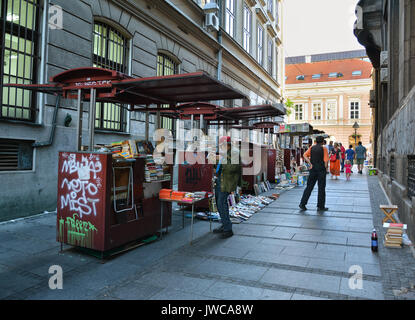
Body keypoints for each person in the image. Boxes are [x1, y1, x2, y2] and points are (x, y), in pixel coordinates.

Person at [213, 136, 242, 239]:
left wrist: (223, 159)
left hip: (227, 182)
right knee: (219, 203)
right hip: (221, 180)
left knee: (222, 203)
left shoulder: (234, 152)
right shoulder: (227, 152)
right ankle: (225, 224)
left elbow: (233, 167)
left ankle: (228, 229)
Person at [299, 136, 329, 212]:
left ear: (315, 141)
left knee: (309, 187)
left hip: (313, 169)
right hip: (321, 170)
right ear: (322, 142)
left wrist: (310, 163)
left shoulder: (311, 147)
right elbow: (326, 161)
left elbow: (304, 155)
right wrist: (325, 169)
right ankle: (320, 206)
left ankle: (302, 204)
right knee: (321, 188)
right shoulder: (324, 149)